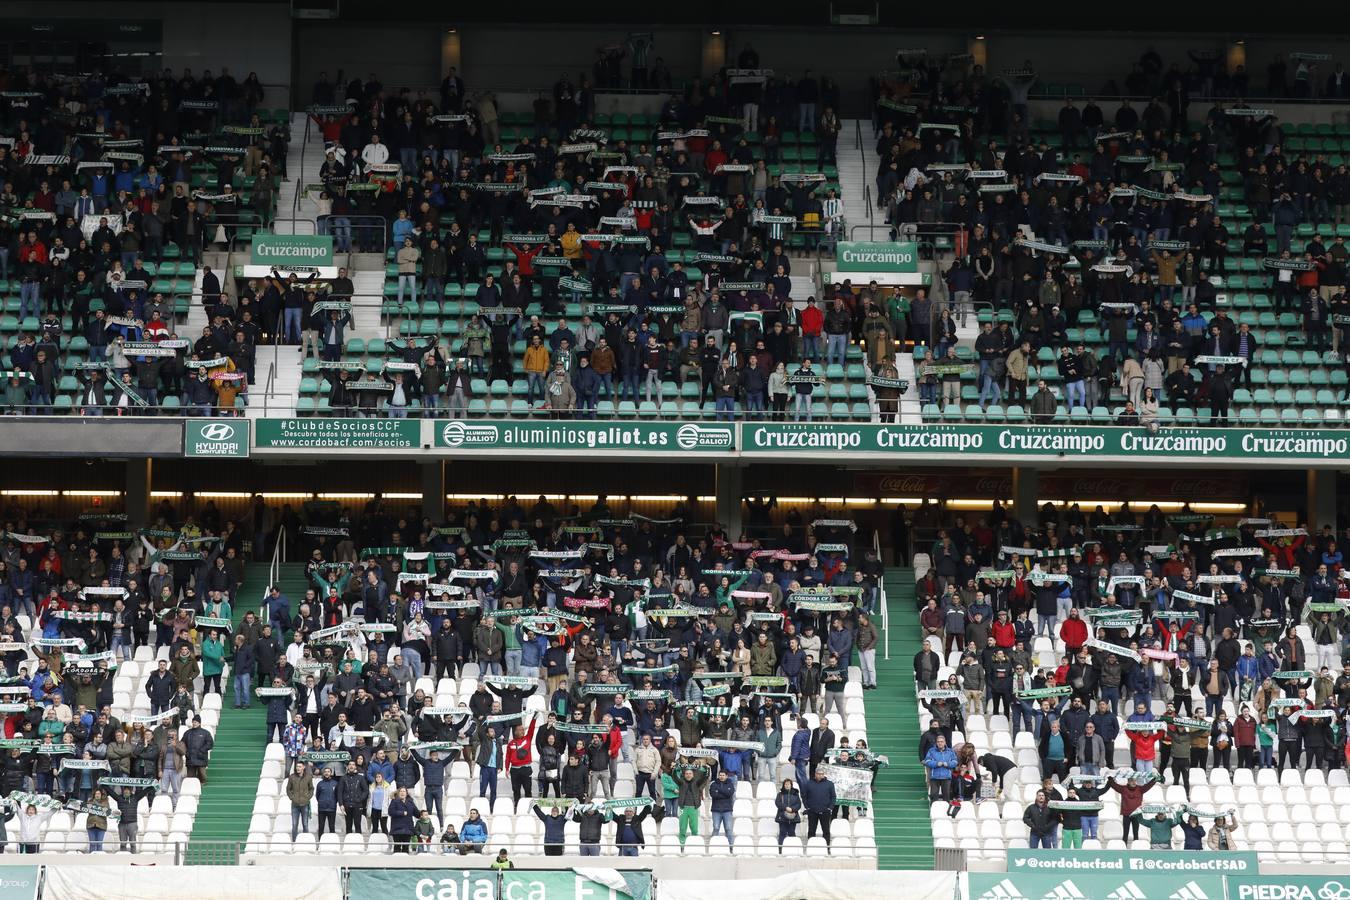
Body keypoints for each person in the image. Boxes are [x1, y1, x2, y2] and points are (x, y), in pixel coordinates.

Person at [801, 767, 836, 849]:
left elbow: (833, 797)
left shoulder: (830, 784)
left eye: (822, 774)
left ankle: (827, 847)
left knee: (826, 831)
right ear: (815, 774)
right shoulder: (808, 783)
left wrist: (830, 808)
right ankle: (810, 847)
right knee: (811, 830)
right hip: (812, 811)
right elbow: (804, 796)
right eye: (819, 774)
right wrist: (807, 807)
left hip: (825, 811)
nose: (820, 775)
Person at [286, 761, 314, 841]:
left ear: (303, 767)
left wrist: (308, 797)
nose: (297, 768)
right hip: (295, 805)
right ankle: (294, 842)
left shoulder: (308, 777)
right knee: (294, 825)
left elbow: (311, 788)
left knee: (305, 824)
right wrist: (292, 797)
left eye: (299, 766)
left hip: (305, 804)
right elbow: (288, 789)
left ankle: (306, 841)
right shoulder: (292, 777)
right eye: (297, 766)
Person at [775, 778, 802, 851]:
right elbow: (777, 803)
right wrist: (786, 808)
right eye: (785, 784)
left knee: (792, 833)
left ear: (791, 785)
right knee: (782, 833)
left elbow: (799, 804)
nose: (787, 785)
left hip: (793, 817)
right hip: (782, 816)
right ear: (784, 785)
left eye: (788, 784)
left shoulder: (796, 794)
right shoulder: (780, 794)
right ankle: (780, 849)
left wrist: (792, 809)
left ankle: (792, 849)